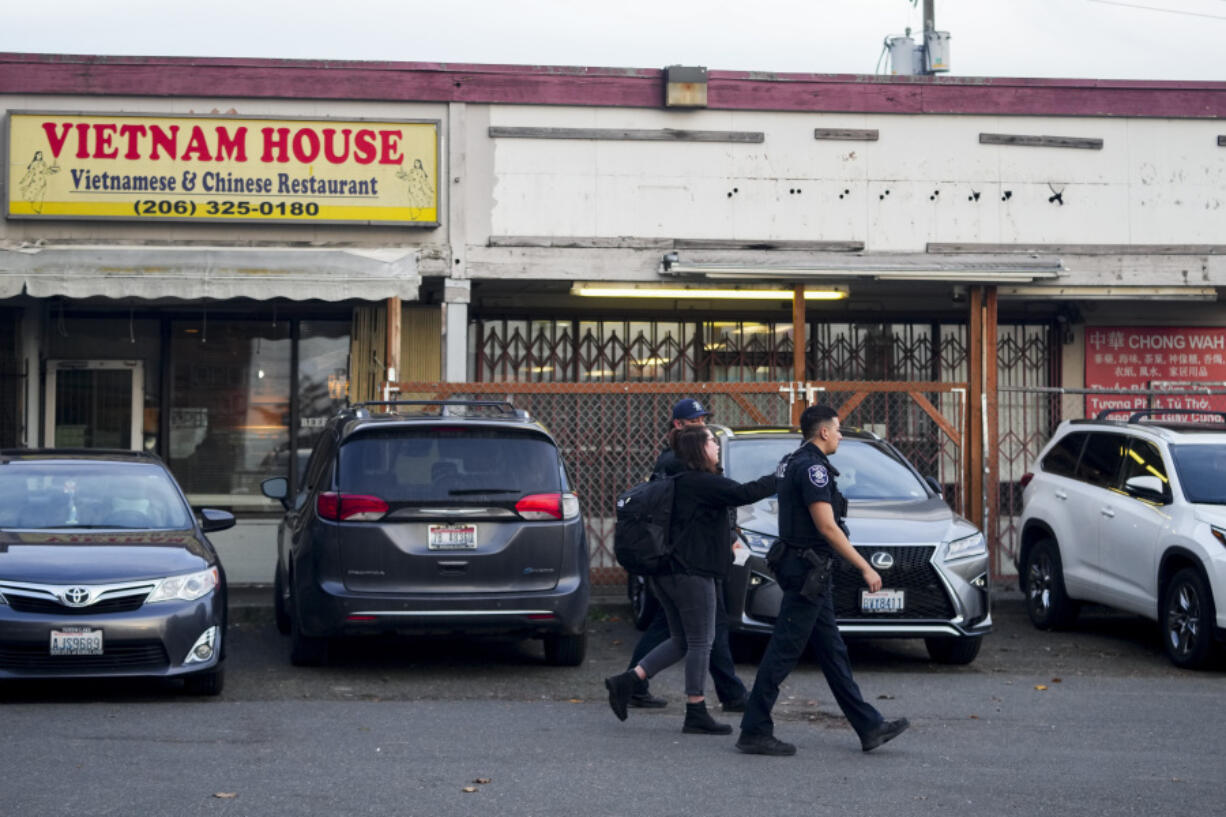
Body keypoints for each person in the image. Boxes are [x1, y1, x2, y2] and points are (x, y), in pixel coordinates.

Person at [736, 404, 909, 756]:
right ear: (823, 432)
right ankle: (754, 729)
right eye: (838, 429)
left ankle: (869, 726)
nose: (841, 435)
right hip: (807, 573)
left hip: (806, 571)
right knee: (783, 651)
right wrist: (865, 567)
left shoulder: (791, 460)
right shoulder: (813, 469)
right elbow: (827, 527)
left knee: (833, 652)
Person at [604, 424, 777, 735]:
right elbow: (745, 494)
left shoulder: (682, 481)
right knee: (701, 641)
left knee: (682, 640)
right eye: (711, 441)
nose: (716, 445)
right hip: (691, 573)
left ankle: (628, 681)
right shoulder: (702, 483)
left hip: (668, 573)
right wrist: (780, 476)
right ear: (699, 449)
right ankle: (695, 709)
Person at [626, 398, 749, 713]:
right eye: (695, 422)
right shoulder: (679, 461)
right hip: (689, 559)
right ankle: (727, 695)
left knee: (676, 628)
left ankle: (632, 682)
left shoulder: (681, 458)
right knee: (706, 630)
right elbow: (716, 496)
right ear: (679, 425)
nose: (702, 427)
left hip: (690, 557)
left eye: (703, 421)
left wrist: (729, 533)